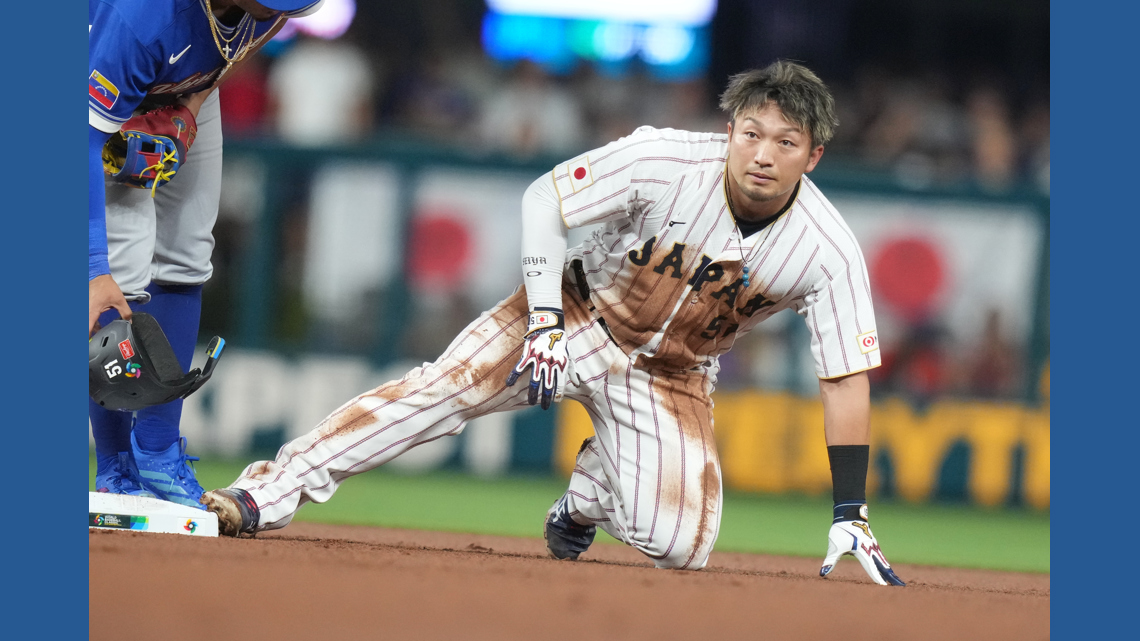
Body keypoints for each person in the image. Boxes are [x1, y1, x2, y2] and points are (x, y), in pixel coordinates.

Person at [202, 60, 905, 585]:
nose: (762, 152)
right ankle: (263, 492)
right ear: (730, 131)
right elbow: (545, 198)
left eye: (786, 142)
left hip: (672, 374)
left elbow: (845, 378)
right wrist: (542, 321)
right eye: (752, 132)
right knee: (440, 390)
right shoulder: (663, 158)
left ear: (814, 156)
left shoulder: (826, 247)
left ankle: (587, 496)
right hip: (573, 310)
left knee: (685, 545)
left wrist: (850, 508)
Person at [88, 0, 325, 507]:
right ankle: (114, 469)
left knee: (188, 252)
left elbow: (232, 43)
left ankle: (156, 454)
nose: (272, 8)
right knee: (118, 273)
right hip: (99, 82)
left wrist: (186, 113)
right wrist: (91, 270)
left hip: (180, 81)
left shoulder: (263, 10)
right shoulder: (141, 18)